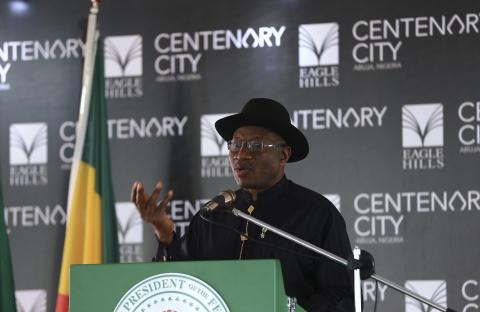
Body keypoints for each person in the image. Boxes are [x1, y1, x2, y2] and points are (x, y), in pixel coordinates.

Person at [131, 98, 354, 311]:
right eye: (235, 144)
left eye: (255, 145)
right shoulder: (213, 214)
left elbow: (342, 297)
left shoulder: (317, 214)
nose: (241, 155)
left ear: (283, 155)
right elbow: (178, 286)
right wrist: (163, 231)